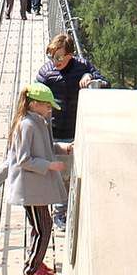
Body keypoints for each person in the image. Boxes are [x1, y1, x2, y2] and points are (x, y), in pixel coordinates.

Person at [36, 33, 107, 230]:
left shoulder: (82, 66)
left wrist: (90, 76)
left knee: (67, 174)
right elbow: (34, 97)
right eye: (52, 56)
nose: (55, 61)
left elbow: (105, 82)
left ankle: (62, 212)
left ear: (70, 55)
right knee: (60, 174)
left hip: (76, 129)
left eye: (59, 57)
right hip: (53, 130)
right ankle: (59, 214)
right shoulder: (46, 73)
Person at [6, 82, 71, 275]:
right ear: (34, 104)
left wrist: (63, 148)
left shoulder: (38, 122)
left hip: (36, 188)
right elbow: (23, 159)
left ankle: (35, 261)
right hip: (30, 189)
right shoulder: (26, 124)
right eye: (47, 105)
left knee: (41, 226)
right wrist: (50, 166)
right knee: (44, 228)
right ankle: (32, 269)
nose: (50, 109)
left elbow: (45, 147)